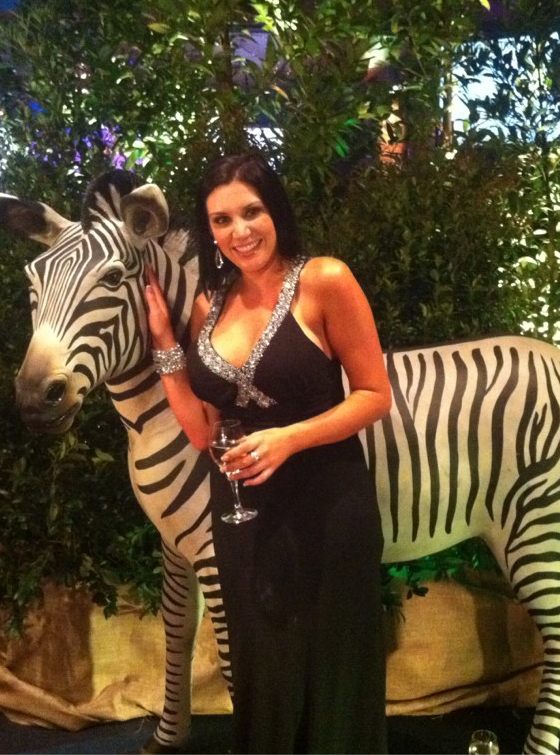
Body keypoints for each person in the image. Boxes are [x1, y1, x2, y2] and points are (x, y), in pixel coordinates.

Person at [144, 152, 391, 753]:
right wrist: (165, 343)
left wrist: (289, 438)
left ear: (275, 209)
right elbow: (203, 432)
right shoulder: (209, 303)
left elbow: (375, 396)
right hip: (244, 514)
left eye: (251, 212)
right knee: (262, 664)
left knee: (333, 663)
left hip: (328, 504)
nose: (240, 231)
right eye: (222, 220)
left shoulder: (324, 280)